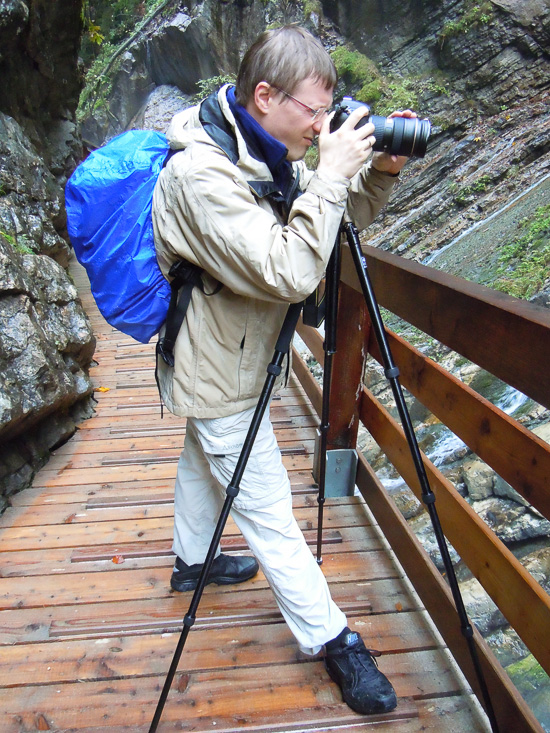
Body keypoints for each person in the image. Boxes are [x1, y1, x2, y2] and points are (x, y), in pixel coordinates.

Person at [152, 25, 414, 716]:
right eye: (314, 111)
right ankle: (333, 639)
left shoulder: (265, 151)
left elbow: (329, 220)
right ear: (264, 96)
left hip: (234, 356)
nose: (322, 125)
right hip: (216, 364)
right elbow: (289, 267)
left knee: (202, 453)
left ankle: (191, 561)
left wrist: (374, 173)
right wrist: (328, 172)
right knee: (268, 509)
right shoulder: (201, 174)